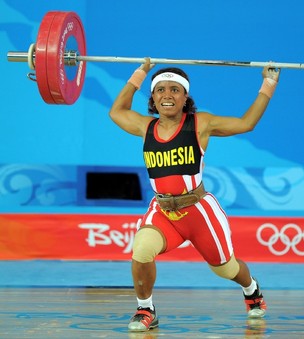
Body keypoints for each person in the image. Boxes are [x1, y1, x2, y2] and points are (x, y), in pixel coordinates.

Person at [109, 58, 280, 332]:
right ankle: (146, 309)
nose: (167, 95)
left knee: (225, 269)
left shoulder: (201, 124)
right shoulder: (146, 127)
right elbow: (117, 111)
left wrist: (268, 83)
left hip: (200, 212)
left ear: (185, 96)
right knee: (141, 249)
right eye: (160, 89)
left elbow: (247, 123)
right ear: (152, 97)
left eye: (174, 90)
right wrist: (140, 72)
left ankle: (252, 289)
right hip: (163, 212)